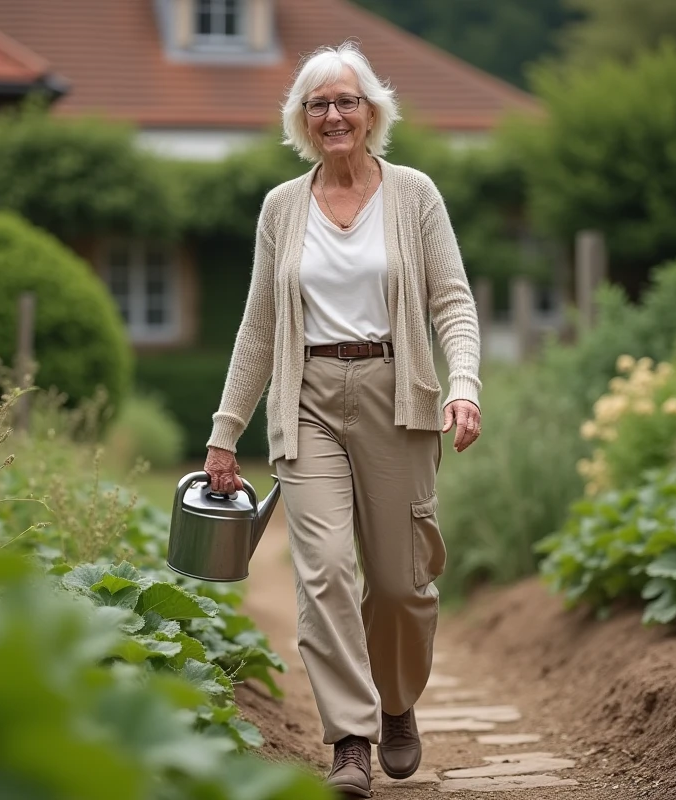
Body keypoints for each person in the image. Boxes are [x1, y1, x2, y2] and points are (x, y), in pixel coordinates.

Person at [203, 40, 482, 798]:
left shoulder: (415, 194)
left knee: (400, 583)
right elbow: (259, 327)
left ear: (371, 112)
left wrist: (464, 383)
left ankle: (396, 703)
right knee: (324, 571)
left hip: (400, 393)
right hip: (309, 399)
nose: (334, 114)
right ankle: (350, 738)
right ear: (303, 118)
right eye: (319, 104)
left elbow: (451, 300)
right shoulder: (281, 208)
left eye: (346, 101)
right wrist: (226, 431)